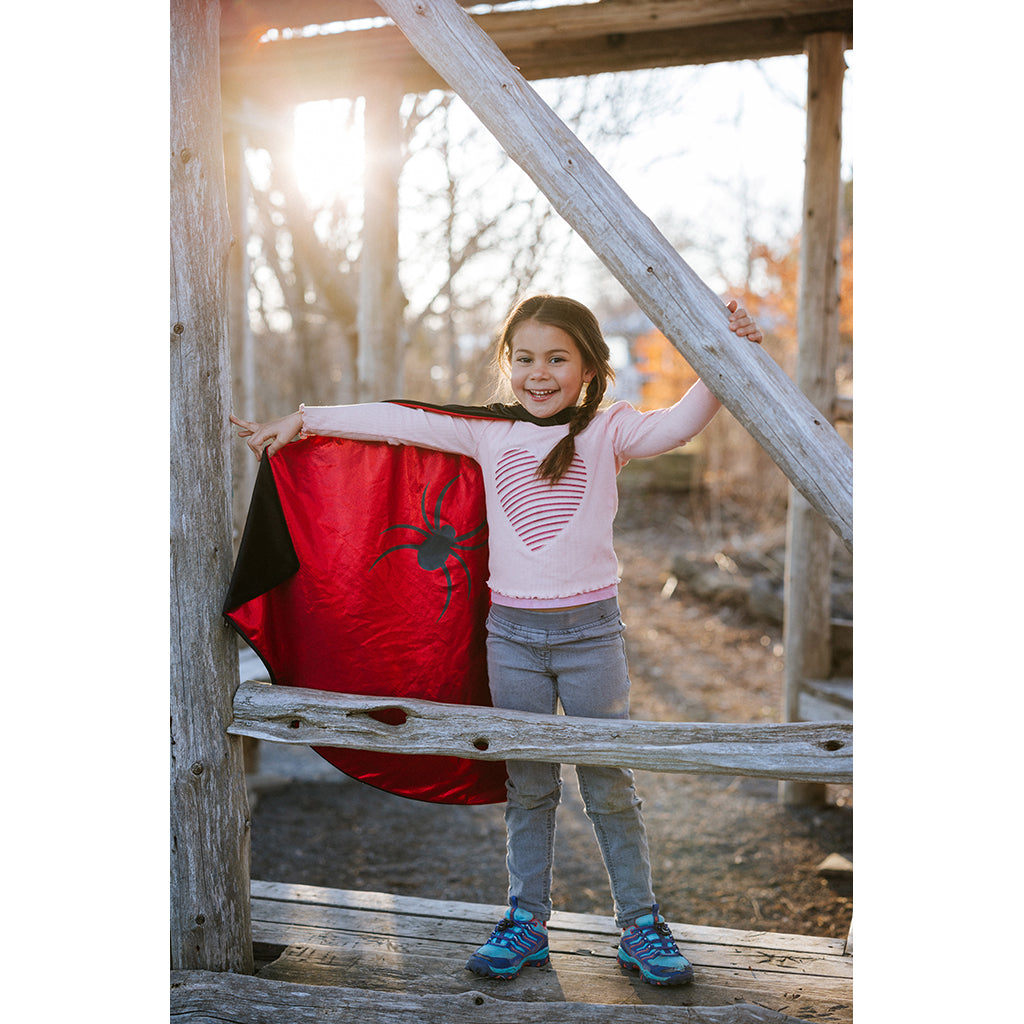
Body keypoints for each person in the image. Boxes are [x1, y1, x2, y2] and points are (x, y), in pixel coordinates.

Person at [231, 294, 763, 986]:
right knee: (530, 784)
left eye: (557, 359)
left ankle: (640, 924)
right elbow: (398, 422)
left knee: (609, 781)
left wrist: (735, 347)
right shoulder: (489, 435)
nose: (539, 374)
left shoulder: (610, 433)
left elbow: (684, 421)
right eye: (525, 359)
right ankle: (526, 922)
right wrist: (303, 422)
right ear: (508, 365)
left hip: (591, 638)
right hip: (511, 639)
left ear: (591, 367)